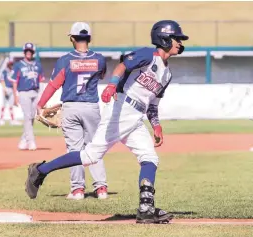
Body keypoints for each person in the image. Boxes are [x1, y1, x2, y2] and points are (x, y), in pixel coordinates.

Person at [25, 20, 189, 224]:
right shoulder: (149, 55)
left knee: (150, 158)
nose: (180, 43)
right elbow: (122, 65)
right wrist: (111, 85)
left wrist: (156, 125)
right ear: (164, 38)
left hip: (137, 117)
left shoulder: (167, 74)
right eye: (177, 38)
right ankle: (40, 171)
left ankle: (146, 208)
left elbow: (153, 104)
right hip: (121, 110)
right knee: (90, 155)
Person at [37, 22, 108, 200]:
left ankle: (78, 190)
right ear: (89, 38)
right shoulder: (99, 59)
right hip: (91, 107)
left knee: (74, 150)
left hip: (71, 107)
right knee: (95, 147)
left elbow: (54, 84)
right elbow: (102, 75)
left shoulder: (65, 60)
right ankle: (101, 189)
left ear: (72, 38)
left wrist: (41, 104)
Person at [10, 43, 45, 151]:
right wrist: (15, 96)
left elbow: (41, 81)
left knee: (32, 117)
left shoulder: (37, 64)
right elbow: (14, 82)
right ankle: (31, 141)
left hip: (35, 92)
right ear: (24, 52)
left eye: (30, 51)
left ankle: (23, 140)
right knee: (27, 116)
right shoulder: (18, 65)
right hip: (23, 92)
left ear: (33, 52)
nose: (28, 53)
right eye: (27, 51)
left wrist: (42, 96)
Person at [0, 61, 22, 126]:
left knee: (11, 105)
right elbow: (2, 80)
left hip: (12, 89)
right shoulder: (5, 71)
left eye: (12, 65)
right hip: (6, 88)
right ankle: (1, 119)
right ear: (8, 65)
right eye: (10, 65)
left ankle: (12, 120)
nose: (11, 66)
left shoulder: (14, 71)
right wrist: (4, 89)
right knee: (4, 104)